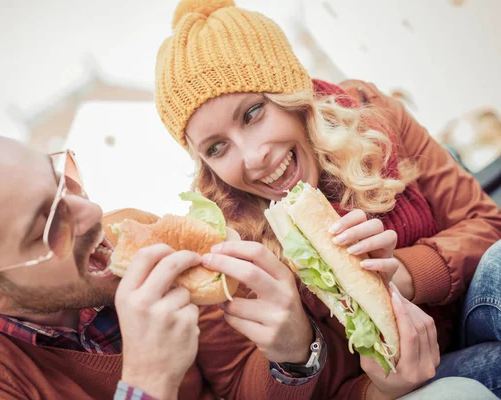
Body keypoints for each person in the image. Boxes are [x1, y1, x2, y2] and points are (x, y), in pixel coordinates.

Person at [154, 0, 501, 397]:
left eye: (252, 113)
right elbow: (238, 390)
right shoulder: (222, 248)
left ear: (290, 93)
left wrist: (401, 274)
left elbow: (486, 224)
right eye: (216, 148)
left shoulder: (369, 111)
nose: (253, 158)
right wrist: (306, 356)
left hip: (473, 311)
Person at [0, 117, 337, 400]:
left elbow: (237, 386)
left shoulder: (133, 234)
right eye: (47, 225)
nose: (92, 212)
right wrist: (147, 384)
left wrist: (293, 355)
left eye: (62, 179)